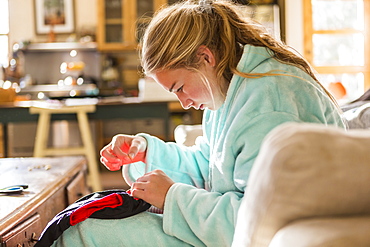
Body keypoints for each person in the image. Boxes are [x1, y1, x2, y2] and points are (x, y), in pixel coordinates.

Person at [51, 0, 346, 246]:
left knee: (84, 234)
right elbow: (210, 166)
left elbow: (259, 225)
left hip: (251, 237)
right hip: (228, 229)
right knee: (86, 223)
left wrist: (172, 197)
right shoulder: (232, 85)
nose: (183, 102)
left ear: (205, 57)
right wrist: (146, 152)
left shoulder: (269, 104)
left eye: (179, 86)